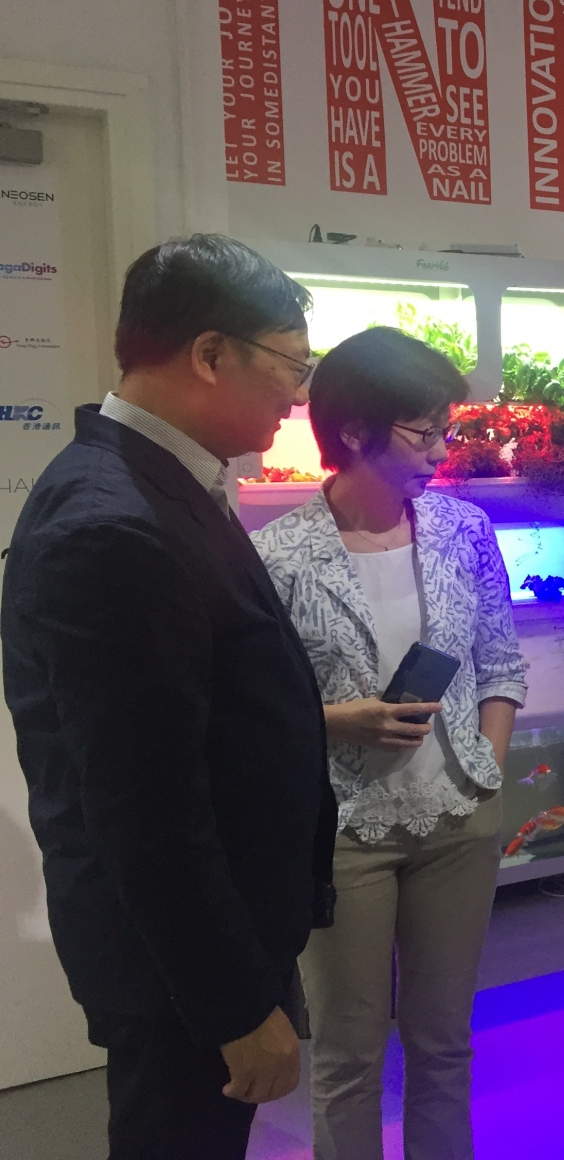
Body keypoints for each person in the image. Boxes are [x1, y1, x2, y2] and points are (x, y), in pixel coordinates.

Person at [2, 235, 336, 1159]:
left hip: (208, 938)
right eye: (290, 366)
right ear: (210, 354)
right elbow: (143, 807)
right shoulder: (114, 525)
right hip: (177, 970)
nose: (296, 396)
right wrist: (233, 1004)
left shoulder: (168, 484)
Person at [253, 327, 526, 1160]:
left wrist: (487, 766)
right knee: (348, 1055)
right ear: (357, 431)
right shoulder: (276, 555)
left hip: (458, 820)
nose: (441, 449)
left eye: (446, 428)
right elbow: (255, 711)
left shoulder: (462, 529)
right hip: (342, 832)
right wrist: (339, 721)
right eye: (423, 431)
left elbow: (500, 661)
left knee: (444, 1043)